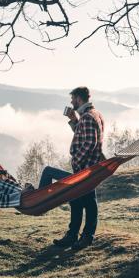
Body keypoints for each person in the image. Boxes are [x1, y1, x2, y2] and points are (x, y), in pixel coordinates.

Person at [47, 86, 105, 251]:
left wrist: (76, 161)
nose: (71, 102)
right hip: (89, 166)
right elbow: (83, 133)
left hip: (85, 168)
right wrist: (73, 120)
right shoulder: (94, 115)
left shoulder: (88, 117)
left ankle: (86, 236)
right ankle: (72, 235)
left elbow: (90, 143)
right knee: (77, 200)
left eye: (72, 99)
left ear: (79, 98)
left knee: (88, 202)